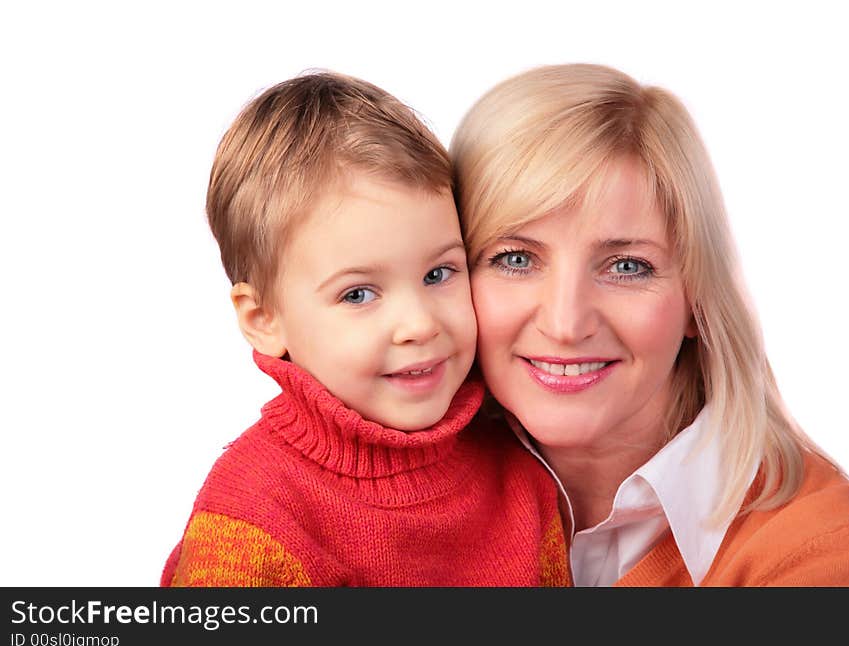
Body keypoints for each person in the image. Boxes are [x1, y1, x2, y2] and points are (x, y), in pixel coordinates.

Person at [449, 63, 849, 586]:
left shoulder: (823, 556)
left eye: (627, 266)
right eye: (515, 259)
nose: (566, 323)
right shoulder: (393, 499)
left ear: (697, 300)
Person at [160, 71, 571, 587]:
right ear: (263, 320)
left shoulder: (518, 472)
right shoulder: (256, 514)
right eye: (358, 294)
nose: (419, 325)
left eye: (438, 274)